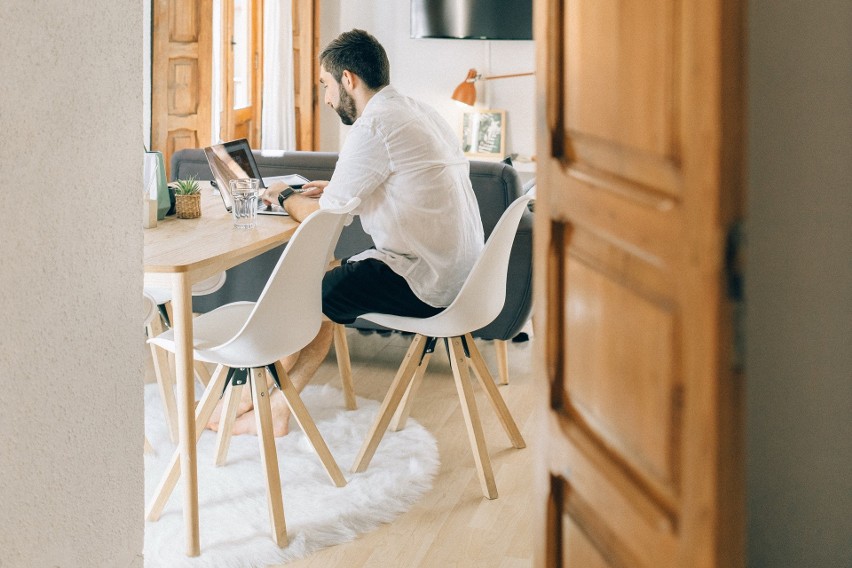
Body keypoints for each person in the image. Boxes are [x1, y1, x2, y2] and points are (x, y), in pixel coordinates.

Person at [207, 28, 484, 436]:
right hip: (465, 277)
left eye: (326, 86)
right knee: (328, 286)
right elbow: (388, 182)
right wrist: (332, 188)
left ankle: (251, 400)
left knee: (302, 295)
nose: (327, 98)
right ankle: (278, 408)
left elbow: (325, 217)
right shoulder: (419, 112)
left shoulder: (373, 127)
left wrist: (283, 196)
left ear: (348, 79)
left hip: (426, 282)